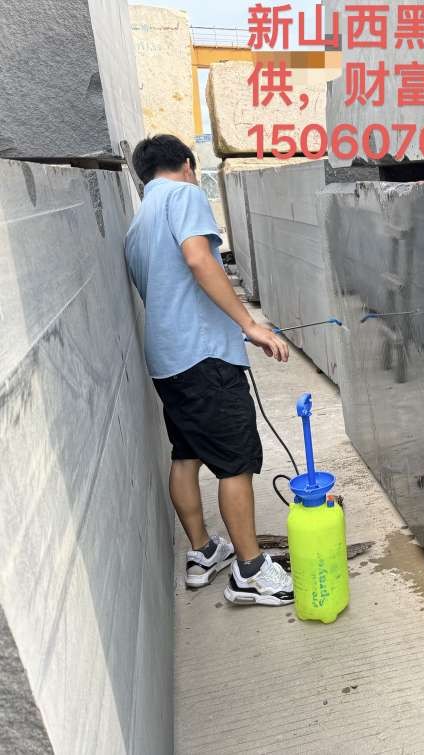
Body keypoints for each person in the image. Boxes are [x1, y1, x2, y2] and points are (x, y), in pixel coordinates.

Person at [125, 135, 293, 606]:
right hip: (204, 358)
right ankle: (250, 571)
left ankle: (203, 553)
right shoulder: (184, 195)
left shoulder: (137, 224)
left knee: (186, 454)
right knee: (236, 461)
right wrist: (249, 324)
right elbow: (199, 258)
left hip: (168, 361)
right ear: (186, 163)